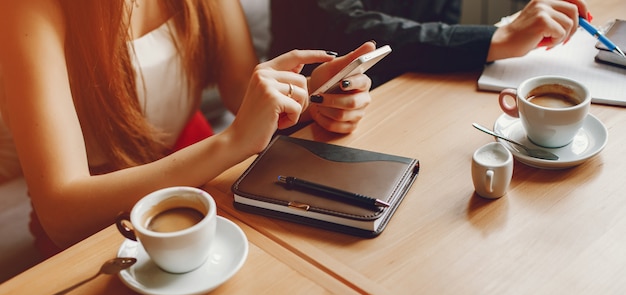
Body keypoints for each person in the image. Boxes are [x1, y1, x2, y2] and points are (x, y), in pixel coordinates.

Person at [0, 1, 376, 256]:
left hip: (200, 173)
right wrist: (231, 142)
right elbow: (62, 214)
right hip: (102, 215)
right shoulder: (28, 11)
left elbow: (239, 94)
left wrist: (314, 97)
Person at [270, 0, 590, 87]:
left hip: (427, 81)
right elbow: (344, 28)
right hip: (319, 114)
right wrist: (497, 38)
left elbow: (440, 14)